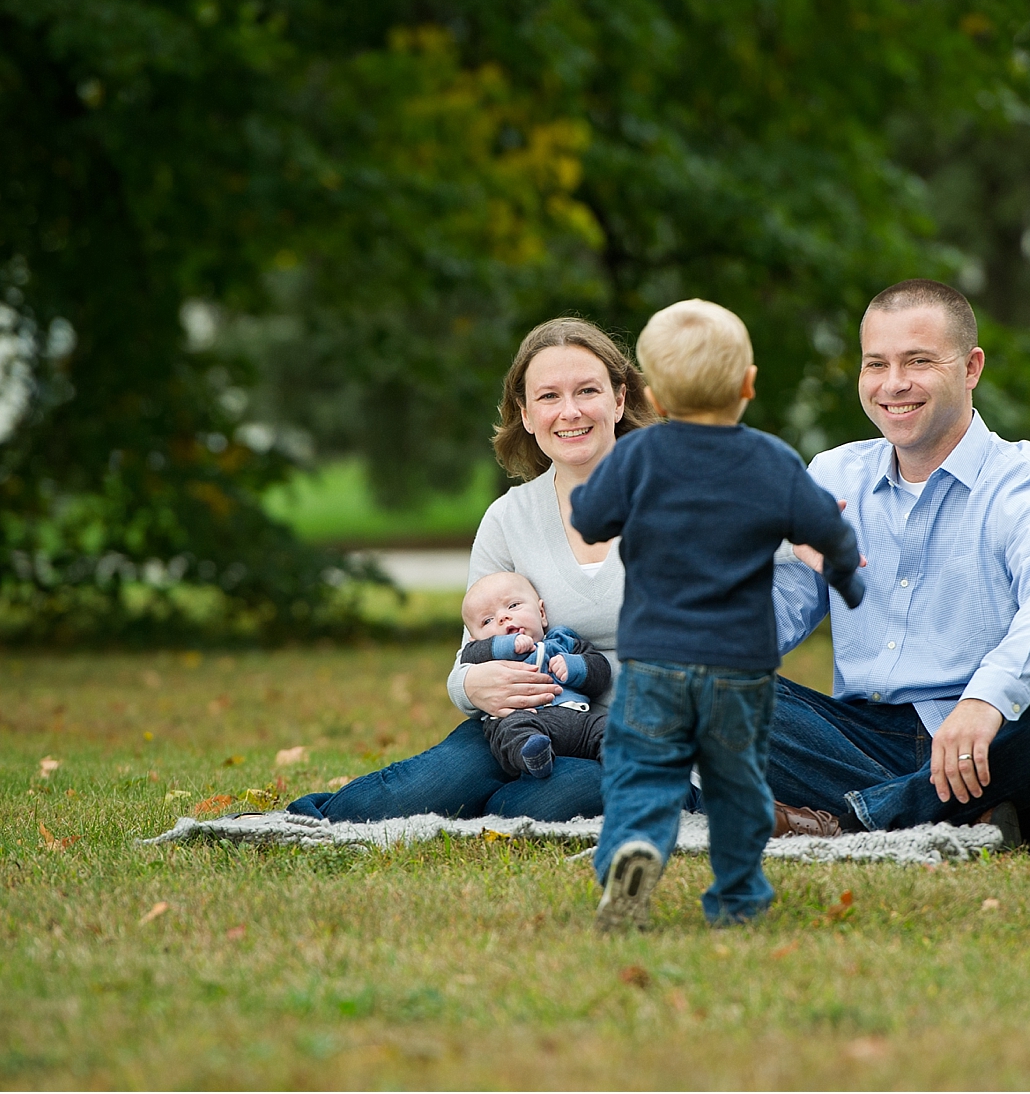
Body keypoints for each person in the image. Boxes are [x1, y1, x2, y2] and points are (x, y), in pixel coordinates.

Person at [286, 314, 842, 832]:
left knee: (539, 804)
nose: (569, 412)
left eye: (587, 391)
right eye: (548, 397)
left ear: (620, 399)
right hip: (524, 725)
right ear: (526, 415)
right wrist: (470, 685)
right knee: (397, 797)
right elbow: (472, 648)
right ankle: (294, 824)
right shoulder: (509, 518)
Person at [769, 279, 1030, 845]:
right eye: (876, 364)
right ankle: (970, 813)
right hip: (855, 734)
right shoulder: (833, 478)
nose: (894, 385)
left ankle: (855, 821)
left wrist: (987, 697)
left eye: (918, 361)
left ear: (970, 368)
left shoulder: (1024, 483)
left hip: (991, 736)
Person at [571, 300, 866, 930]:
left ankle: (634, 847)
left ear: (650, 394)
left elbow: (591, 519)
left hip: (653, 661)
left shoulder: (637, 457)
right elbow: (830, 532)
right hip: (741, 667)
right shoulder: (771, 461)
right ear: (748, 384)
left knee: (641, 767)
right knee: (739, 780)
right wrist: (847, 578)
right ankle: (737, 894)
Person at [457, 570, 609, 781]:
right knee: (511, 731)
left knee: (607, 729)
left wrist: (574, 666)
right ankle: (535, 757)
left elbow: (600, 671)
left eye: (513, 606)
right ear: (474, 639)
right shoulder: (483, 653)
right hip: (522, 717)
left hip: (577, 720)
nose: (503, 617)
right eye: (488, 621)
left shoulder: (562, 642)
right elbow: (470, 655)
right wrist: (505, 645)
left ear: (542, 614)